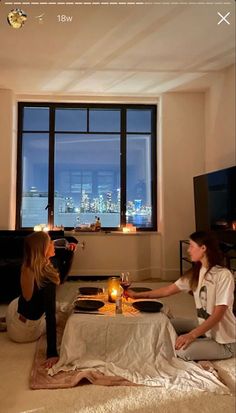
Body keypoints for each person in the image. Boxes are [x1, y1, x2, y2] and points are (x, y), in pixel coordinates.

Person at [127, 230, 236, 361]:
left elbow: (218, 314)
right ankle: (198, 343)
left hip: (225, 342)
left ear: (203, 248)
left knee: (181, 350)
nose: (189, 250)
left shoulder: (223, 275)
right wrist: (137, 295)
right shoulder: (196, 273)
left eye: (191, 246)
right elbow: (167, 290)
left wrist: (191, 335)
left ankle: (200, 347)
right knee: (160, 325)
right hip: (204, 329)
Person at [6, 231, 60, 368]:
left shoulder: (27, 266)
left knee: (16, 302)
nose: (53, 244)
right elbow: (50, 316)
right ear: (43, 249)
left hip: (16, 323)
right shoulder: (47, 278)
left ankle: (4, 322)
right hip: (26, 334)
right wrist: (52, 352)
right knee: (61, 313)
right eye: (50, 242)